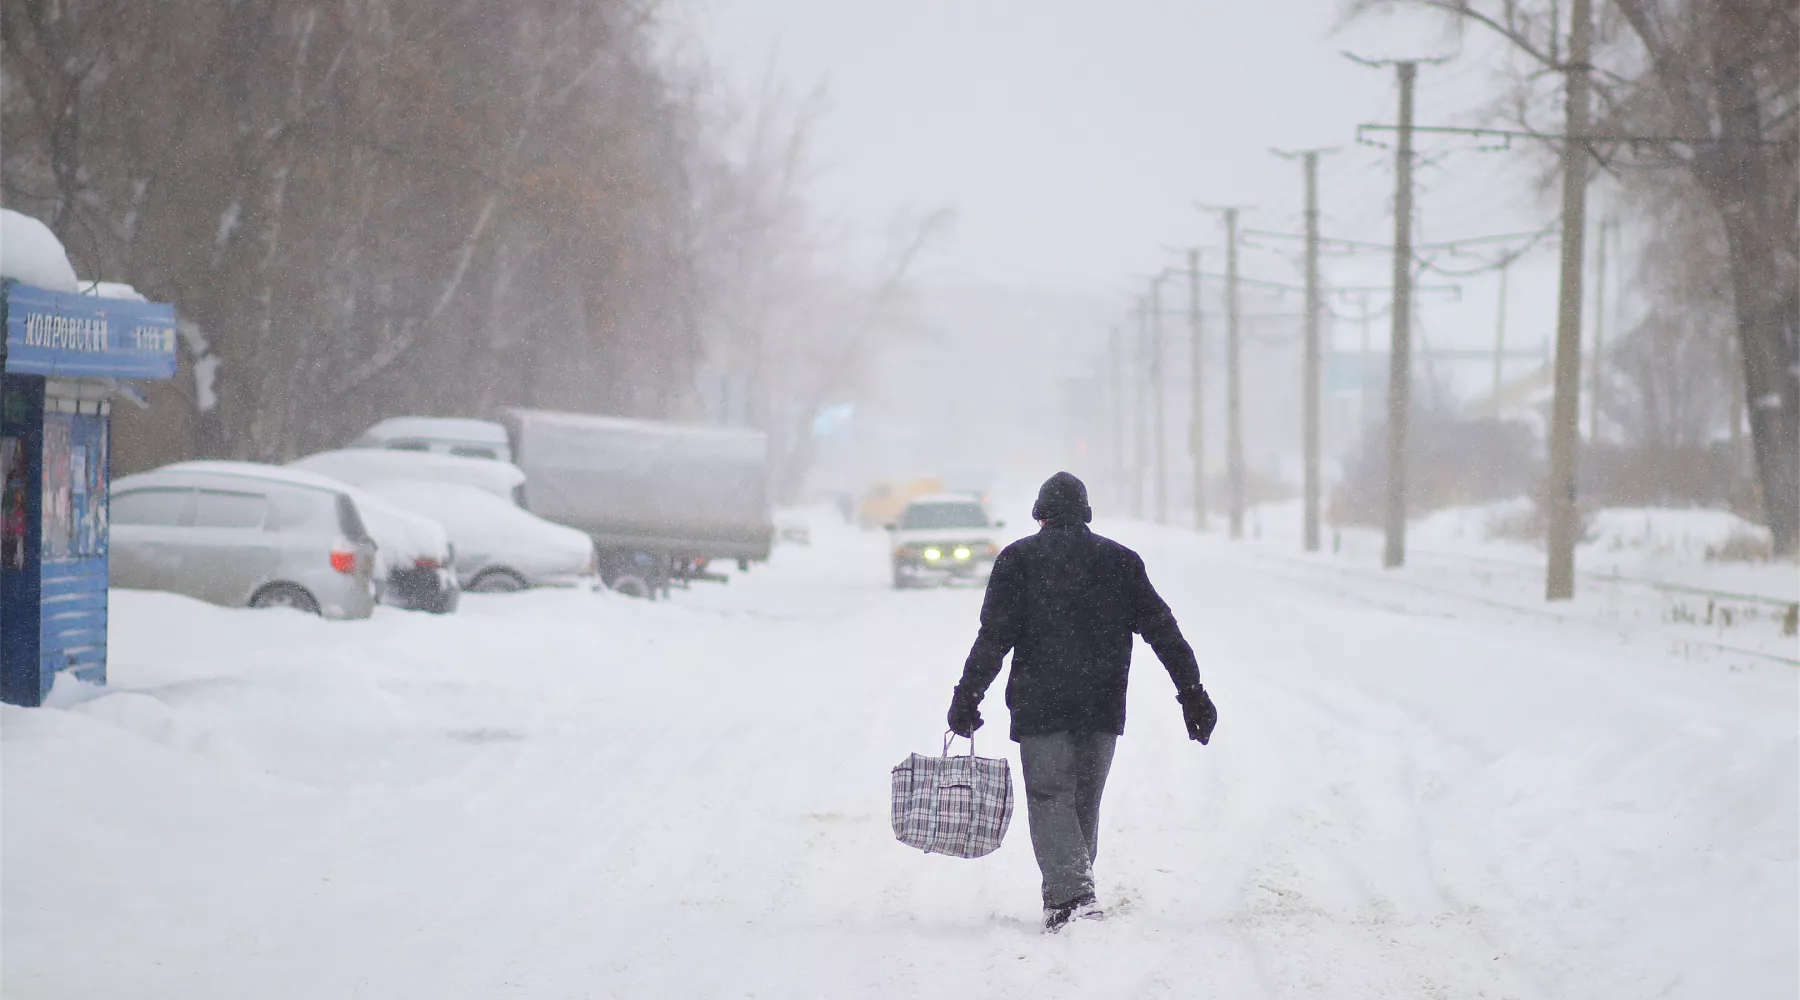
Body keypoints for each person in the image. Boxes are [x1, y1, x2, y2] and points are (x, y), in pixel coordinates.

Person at [945, 471, 1217, 932]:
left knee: (1052, 796)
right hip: (1101, 705)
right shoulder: (1120, 561)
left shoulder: (1019, 560)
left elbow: (993, 638)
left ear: (1040, 515)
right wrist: (1192, 694)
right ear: (1086, 513)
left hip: (1040, 707)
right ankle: (1074, 892)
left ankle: (1071, 897)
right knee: (1083, 801)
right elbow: (1163, 631)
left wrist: (967, 697)